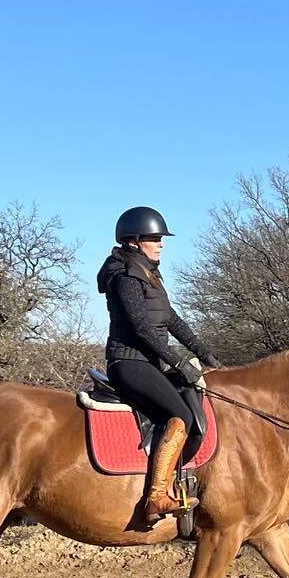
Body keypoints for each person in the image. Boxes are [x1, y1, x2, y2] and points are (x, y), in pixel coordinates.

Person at [96, 206, 223, 524]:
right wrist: (180, 361)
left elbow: (171, 320)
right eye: (154, 238)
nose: (161, 243)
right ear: (133, 241)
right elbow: (142, 328)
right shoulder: (125, 276)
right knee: (179, 416)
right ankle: (155, 498)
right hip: (128, 362)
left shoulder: (148, 274)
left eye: (161, 238)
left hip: (149, 363)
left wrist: (206, 355)